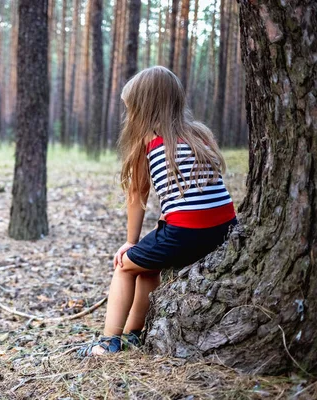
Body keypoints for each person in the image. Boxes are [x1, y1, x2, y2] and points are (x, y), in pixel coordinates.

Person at [78, 66, 237, 357]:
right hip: (225, 228)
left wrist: (130, 242)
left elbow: (138, 193)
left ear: (144, 108)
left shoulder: (148, 140)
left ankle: (108, 341)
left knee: (126, 266)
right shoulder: (199, 134)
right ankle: (133, 334)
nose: (129, 116)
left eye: (131, 109)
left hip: (186, 231)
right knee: (147, 267)